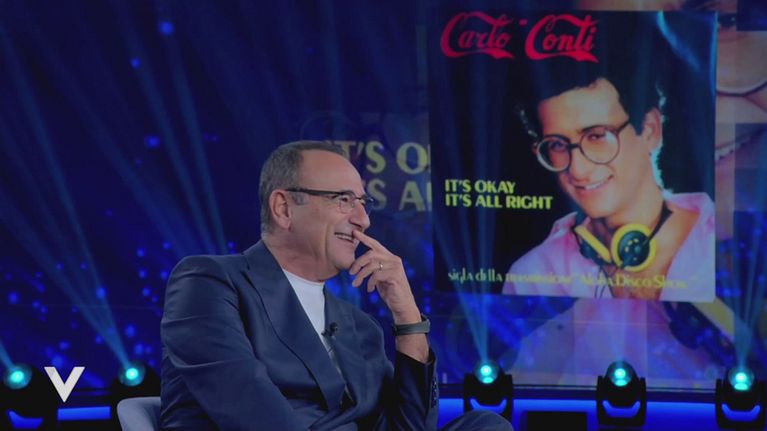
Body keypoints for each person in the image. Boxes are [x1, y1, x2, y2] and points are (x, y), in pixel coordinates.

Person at [160, 141, 511, 430]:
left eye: (363, 203)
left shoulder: (359, 327)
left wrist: (407, 319)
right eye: (343, 200)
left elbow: (412, 428)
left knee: (486, 425)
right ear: (284, 208)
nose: (363, 219)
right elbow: (249, 409)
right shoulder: (210, 283)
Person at [502, 45, 715, 301]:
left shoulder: (726, 242)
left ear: (650, 130)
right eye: (557, 145)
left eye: (597, 136)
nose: (577, 169)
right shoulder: (531, 277)